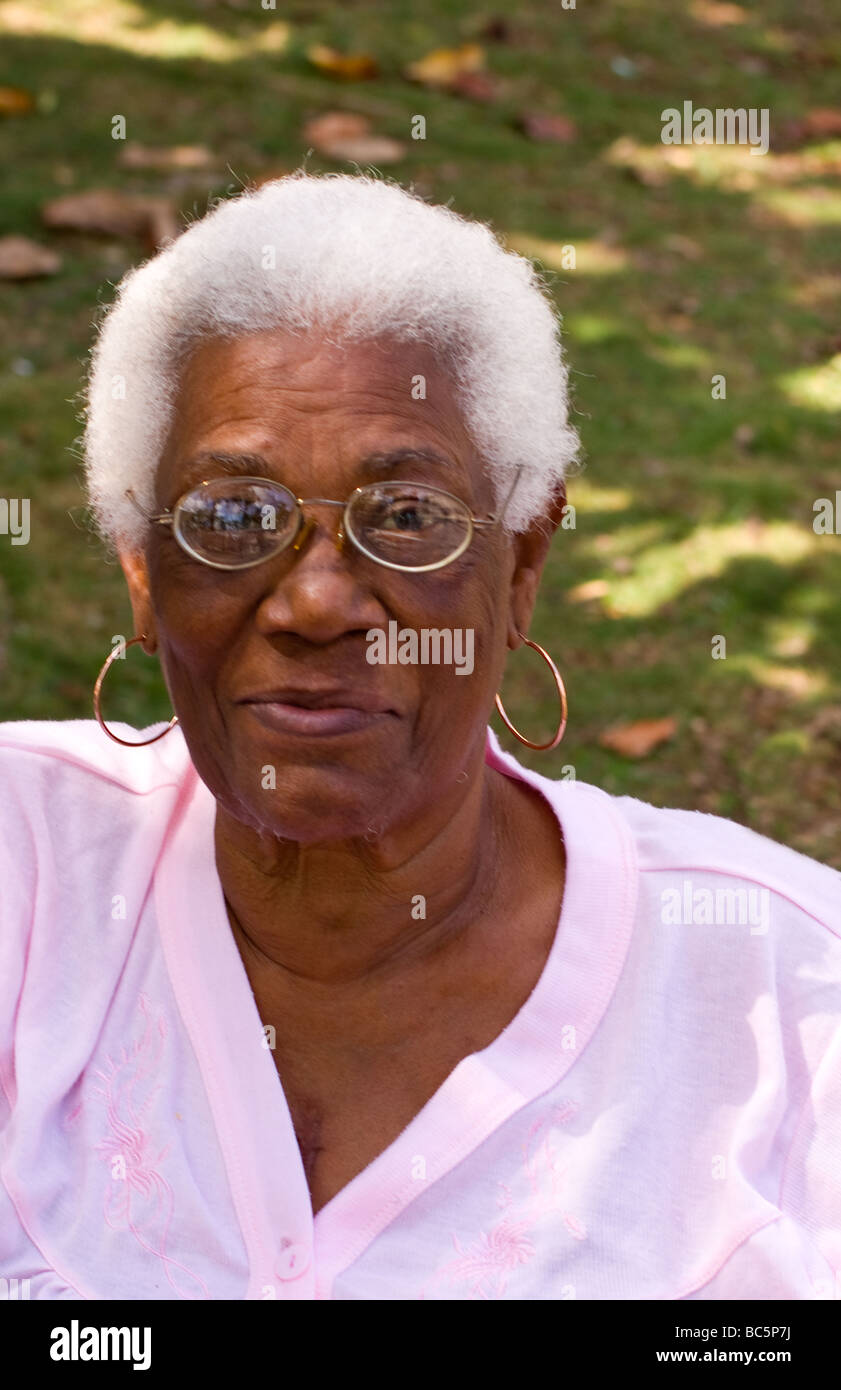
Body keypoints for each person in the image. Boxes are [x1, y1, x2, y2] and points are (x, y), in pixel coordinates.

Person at [1, 173, 838, 1301]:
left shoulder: (789, 998)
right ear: (141, 571)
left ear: (522, 563)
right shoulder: (26, 871)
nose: (315, 604)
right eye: (233, 516)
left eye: (406, 517)